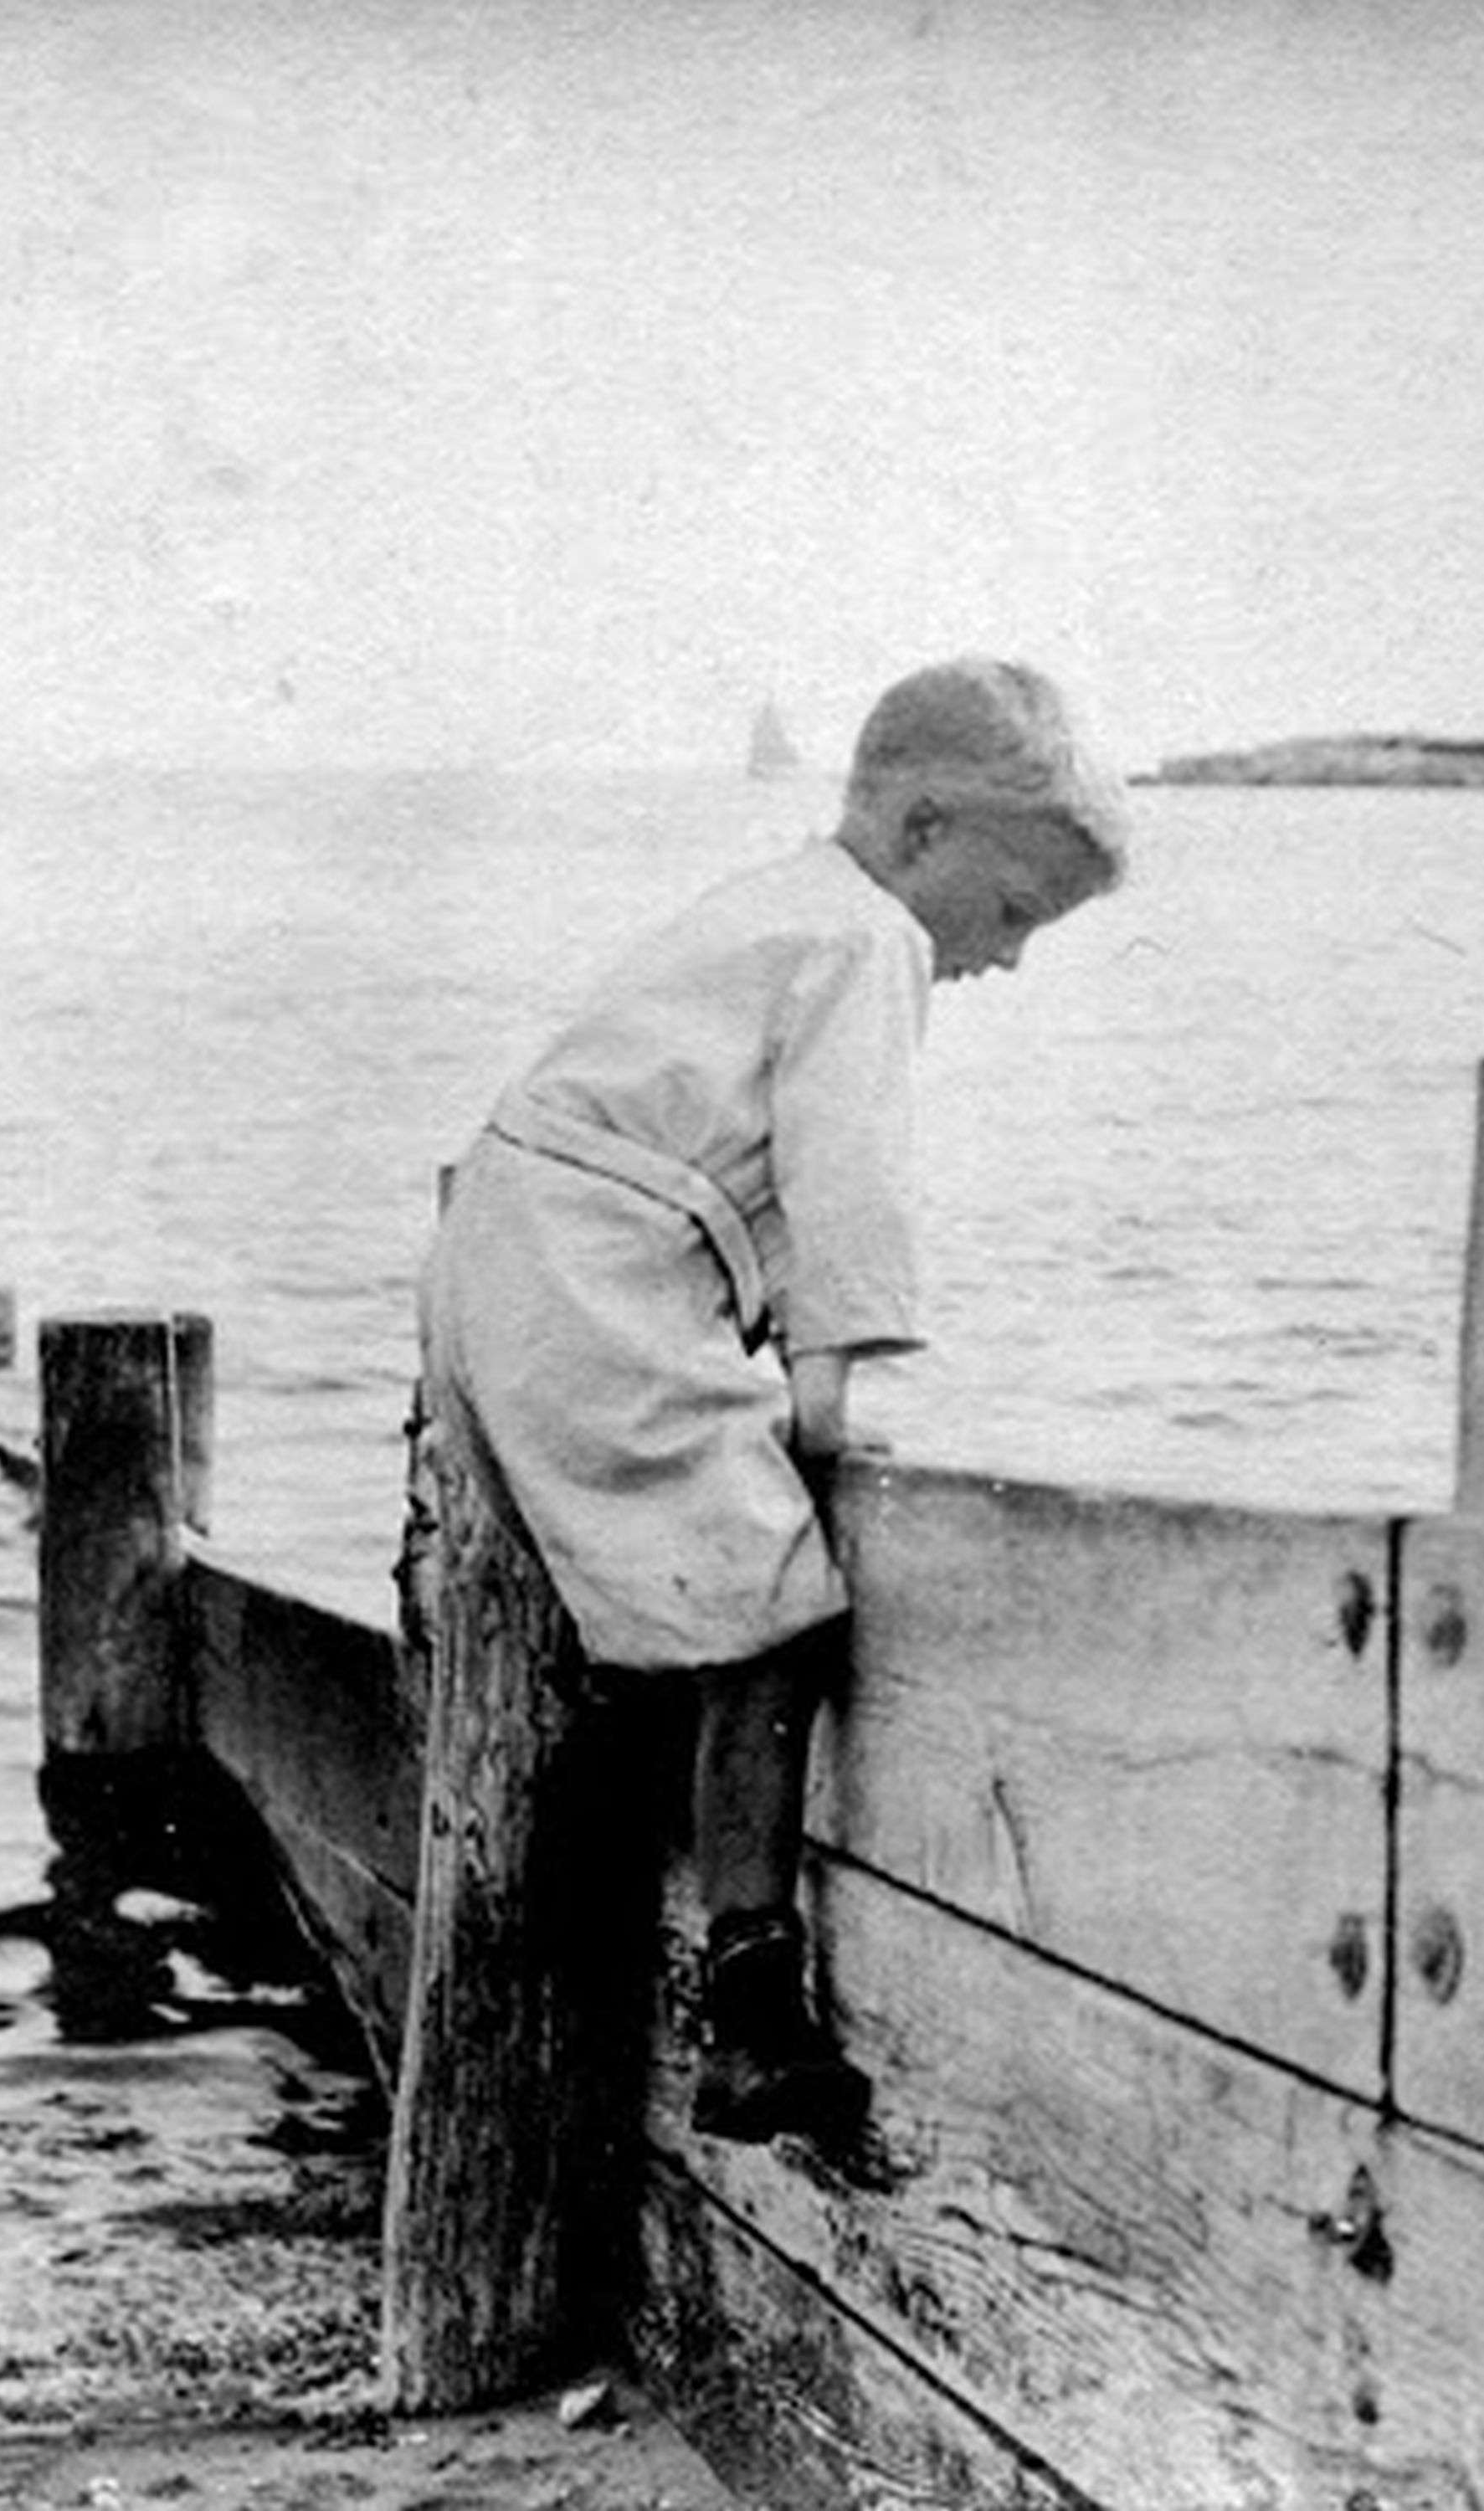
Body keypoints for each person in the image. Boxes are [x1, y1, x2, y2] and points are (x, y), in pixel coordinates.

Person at [418, 655, 1128, 2144]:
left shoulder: (775, 901)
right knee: (772, 1611)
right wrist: (826, 1404)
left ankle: (570, 1946)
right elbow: (844, 1176)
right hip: (591, 1258)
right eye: (1009, 914)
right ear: (925, 830)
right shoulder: (869, 940)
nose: (1003, 960)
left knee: (650, 1616)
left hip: (507, 1241)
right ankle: (749, 2011)